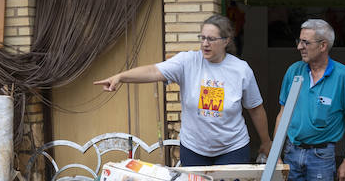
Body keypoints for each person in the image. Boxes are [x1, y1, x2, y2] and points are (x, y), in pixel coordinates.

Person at [95, 14, 270, 167]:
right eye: (202, 38)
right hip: (194, 149)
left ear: (226, 40)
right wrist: (120, 77)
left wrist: (266, 142)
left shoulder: (241, 69)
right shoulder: (188, 61)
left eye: (211, 39)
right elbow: (153, 71)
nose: (205, 44)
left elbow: (255, 109)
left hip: (233, 148)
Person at [276, 19, 345, 181]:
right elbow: (283, 112)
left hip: (322, 155)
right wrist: (275, 154)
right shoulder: (294, 71)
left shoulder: (342, 75)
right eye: (299, 41)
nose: (299, 47)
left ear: (323, 45)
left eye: (305, 42)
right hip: (292, 151)